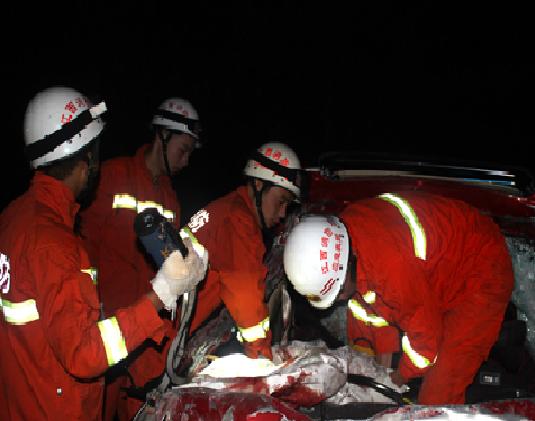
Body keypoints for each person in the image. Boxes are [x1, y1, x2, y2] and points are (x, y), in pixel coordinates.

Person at [0, 86, 206, 420]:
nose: (187, 161)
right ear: (85, 158)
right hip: (86, 362)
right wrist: (160, 295)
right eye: (183, 149)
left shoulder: (14, 217)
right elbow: (81, 344)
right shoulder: (71, 222)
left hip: (114, 343)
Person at [282, 191, 514, 404]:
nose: (340, 300)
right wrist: (377, 373)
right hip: (429, 274)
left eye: (339, 292)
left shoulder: (391, 269)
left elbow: (425, 343)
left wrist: (399, 378)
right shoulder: (344, 239)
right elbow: (372, 315)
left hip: (481, 270)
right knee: (361, 312)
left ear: (346, 266)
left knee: (440, 388)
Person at [79, 97, 201, 420]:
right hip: (104, 333)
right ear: (162, 136)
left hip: (143, 334)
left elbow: (170, 269)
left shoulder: (171, 199)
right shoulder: (110, 177)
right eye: (183, 149)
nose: (186, 160)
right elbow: (83, 247)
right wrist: (90, 307)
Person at [186, 142, 302, 360]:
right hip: (167, 343)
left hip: (171, 331)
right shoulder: (238, 221)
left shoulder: (227, 208)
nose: (283, 213)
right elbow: (246, 302)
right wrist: (262, 358)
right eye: (281, 201)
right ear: (258, 185)